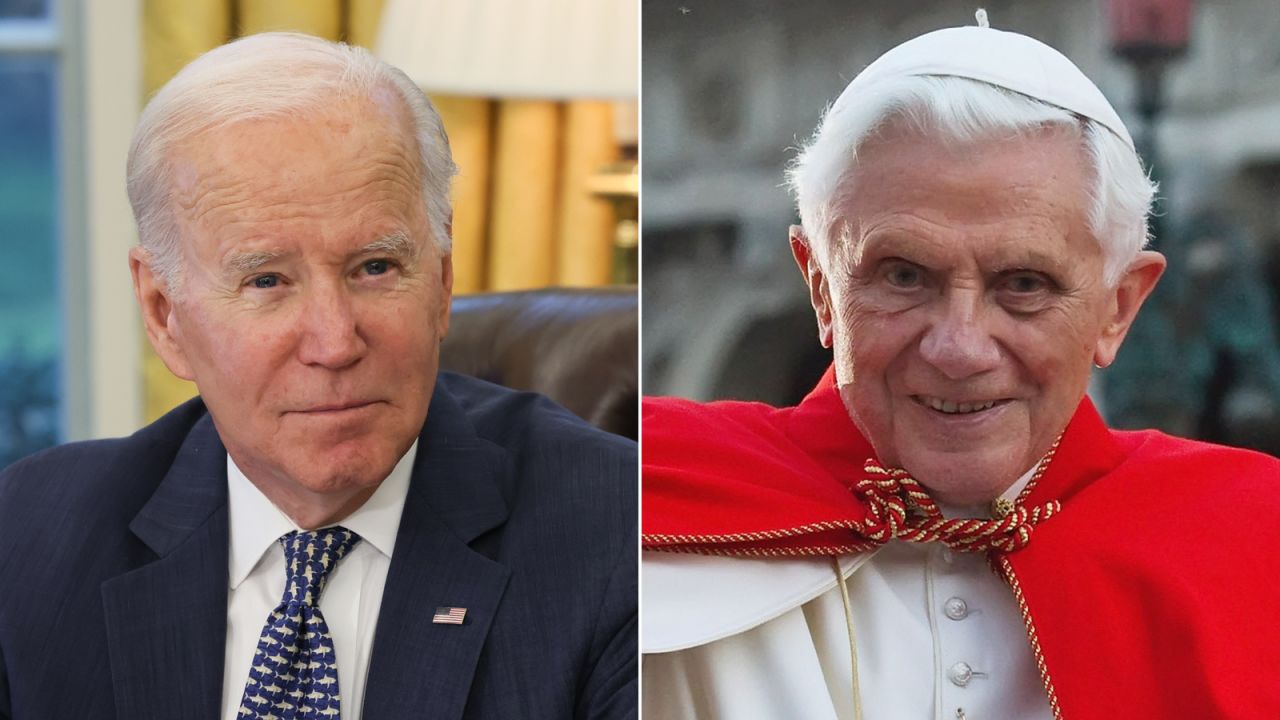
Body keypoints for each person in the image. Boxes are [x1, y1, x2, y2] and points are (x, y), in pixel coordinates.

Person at [641, 16, 1280, 720]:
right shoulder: (639, 492)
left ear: (1117, 309)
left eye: (1025, 284)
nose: (960, 349)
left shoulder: (1254, 539)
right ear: (821, 286)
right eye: (905, 276)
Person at [0, 32, 636, 720]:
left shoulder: (611, 532)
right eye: (267, 280)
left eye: (375, 267)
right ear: (164, 316)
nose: (335, 343)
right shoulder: (32, 534)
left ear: (443, 281)